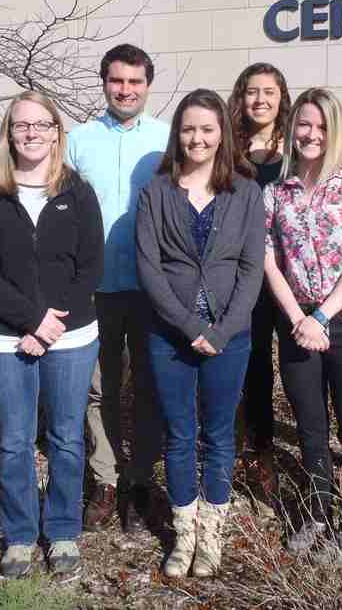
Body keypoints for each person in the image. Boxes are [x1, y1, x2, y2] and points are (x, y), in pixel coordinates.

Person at [0, 91, 104, 578]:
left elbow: (90, 267)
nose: (31, 133)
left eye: (41, 124)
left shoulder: (77, 190)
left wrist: (51, 326)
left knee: (67, 438)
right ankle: (21, 535)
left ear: (55, 132)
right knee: (15, 441)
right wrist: (30, 323)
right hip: (7, 340)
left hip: (70, 336)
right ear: (9, 133)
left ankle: (63, 530)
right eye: (21, 125)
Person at [136, 89, 265, 577]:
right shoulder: (156, 192)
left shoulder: (247, 192)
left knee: (218, 435)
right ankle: (182, 536)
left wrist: (224, 328)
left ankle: (211, 536)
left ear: (222, 134)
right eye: (189, 128)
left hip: (230, 336)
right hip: (169, 335)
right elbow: (149, 269)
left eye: (208, 129)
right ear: (178, 134)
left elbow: (252, 268)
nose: (198, 138)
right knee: (179, 434)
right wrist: (191, 326)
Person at [263, 88, 342, 561]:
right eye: (303, 125)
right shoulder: (276, 192)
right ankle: (317, 512)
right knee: (311, 425)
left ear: (334, 131)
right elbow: (269, 259)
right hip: (295, 321)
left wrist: (322, 315)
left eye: (321, 126)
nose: (311, 135)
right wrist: (298, 317)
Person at [65, 43, 168, 533]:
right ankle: (105, 479)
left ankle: (141, 479)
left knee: (149, 386)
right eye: (117, 81)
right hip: (94, 289)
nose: (125, 90)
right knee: (98, 389)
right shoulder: (78, 141)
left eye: (135, 82)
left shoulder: (167, 140)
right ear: (104, 82)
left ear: (148, 85)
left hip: (153, 289)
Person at [226, 62, 292, 500]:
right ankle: (254, 452)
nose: (260, 100)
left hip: (290, 273)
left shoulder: (298, 146)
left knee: (296, 363)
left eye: (269, 92)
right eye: (252, 92)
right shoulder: (230, 149)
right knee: (251, 364)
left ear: (282, 97)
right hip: (242, 273)